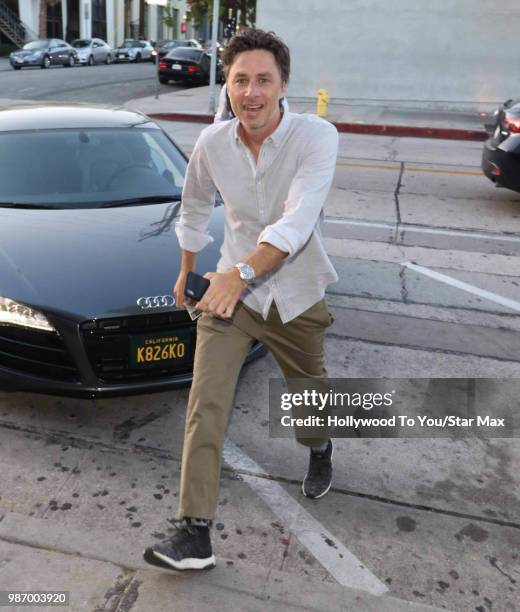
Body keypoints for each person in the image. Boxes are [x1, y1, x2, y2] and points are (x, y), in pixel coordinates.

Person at [143, 27, 339, 572]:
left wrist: (241, 272)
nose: (250, 92)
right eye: (239, 80)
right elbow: (193, 206)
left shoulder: (316, 136)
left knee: (310, 396)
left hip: (295, 294)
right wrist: (188, 270)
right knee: (205, 402)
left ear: (282, 86)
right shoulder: (212, 143)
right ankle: (194, 531)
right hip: (232, 299)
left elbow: (298, 221)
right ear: (226, 85)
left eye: (263, 80)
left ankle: (320, 447)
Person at [214, 81, 289, 122]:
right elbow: (220, 119)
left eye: (263, 81)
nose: (251, 93)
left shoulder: (280, 101)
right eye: (242, 81)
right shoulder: (227, 89)